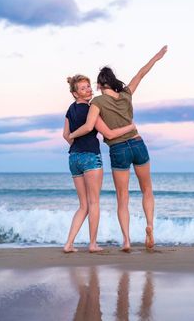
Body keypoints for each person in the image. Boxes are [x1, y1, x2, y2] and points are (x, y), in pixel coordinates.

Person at [68, 46, 168, 251]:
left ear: (98, 85)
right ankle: (149, 225)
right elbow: (141, 73)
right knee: (147, 189)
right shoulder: (126, 94)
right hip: (138, 143)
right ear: (113, 81)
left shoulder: (96, 102)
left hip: (118, 149)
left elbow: (90, 127)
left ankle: (126, 240)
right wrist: (156, 58)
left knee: (122, 197)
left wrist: (72, 137)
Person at [63, 75, 135, 253]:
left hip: (74, 158)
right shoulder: (92, 109)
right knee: (94, 203)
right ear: (75, 93)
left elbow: (65, 135)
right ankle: (93, 244)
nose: (88, 90)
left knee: (83, 205)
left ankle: (68, 244)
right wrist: (130, 127)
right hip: (90, 157)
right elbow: (108, 134)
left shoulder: (70, 110)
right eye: (82, 88)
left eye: (88, 86)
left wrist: (75, 141)